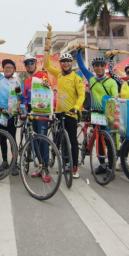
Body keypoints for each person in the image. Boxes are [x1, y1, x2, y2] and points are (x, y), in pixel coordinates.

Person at [75, 52, 119, 174]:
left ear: (105, 67)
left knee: (109, 141)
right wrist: (78, 53)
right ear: (93, 68)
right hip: (96, 114)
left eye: (101, 65)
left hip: (109, 113)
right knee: (99, 139)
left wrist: (114, 98)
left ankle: (111, 166)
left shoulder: (111, 82)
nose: (99, 68)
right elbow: (82, 67)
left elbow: (115, 96)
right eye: (97, 66)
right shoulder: (91, 79)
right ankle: (102, 164)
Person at [45, 50, 85, 179]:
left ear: (71, 63)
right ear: (60, 63)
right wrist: (47, 50)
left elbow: (82, 95)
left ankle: (74, 167)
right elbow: (47, 65)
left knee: (72, 140)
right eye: (63, 61)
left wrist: (76, 108)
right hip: (59, 113)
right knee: (61, 140)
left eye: (68, 61)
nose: (66, 63)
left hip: (71, 114)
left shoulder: (76, 78)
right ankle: (65, 163)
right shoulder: (59, 74)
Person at [0, 44, 22, 176]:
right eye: (6, 67)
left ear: (14, 70)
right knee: (2, 139)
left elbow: (20, 98)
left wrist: (20, 104)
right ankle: (4, 161)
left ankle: (14, 163)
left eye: (10, 67)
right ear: (3, 69)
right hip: (0, 115)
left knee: (12, 139)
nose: (8, 69)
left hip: (11, 115)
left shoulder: (17, 82)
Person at [21, 52, 52, 183]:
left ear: (35, 63)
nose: (29, 65)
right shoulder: (26, 81)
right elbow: (24, 97)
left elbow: (49, 87)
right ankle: (40, 166)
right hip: (31, 112)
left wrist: (46, 84)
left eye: (31, 62)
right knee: (33, 140)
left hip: (41, 111)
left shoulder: (42, 75)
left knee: (42, 139)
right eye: (27, 63)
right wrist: (22, 106)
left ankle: (45, 168)